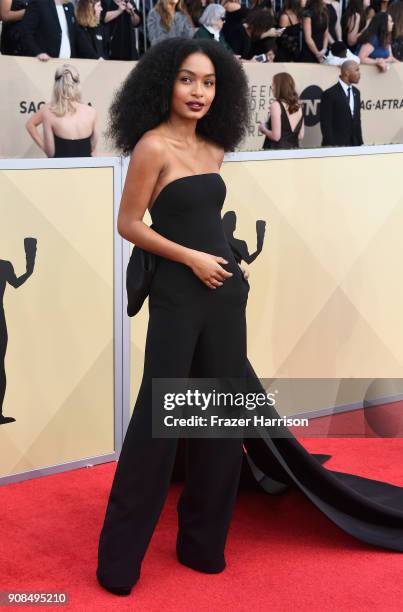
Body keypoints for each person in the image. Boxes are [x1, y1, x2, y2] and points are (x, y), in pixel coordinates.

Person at [96, 37, 403, 599]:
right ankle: (119, 561)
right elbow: (128, 223)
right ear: (164, 82)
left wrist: (229, 264)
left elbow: (207, 220)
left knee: (219, 426)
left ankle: (201, 544)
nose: (198, 92)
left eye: (209, 82)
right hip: (176, 298)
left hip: (224, 298)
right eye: (188, 79)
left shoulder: (213, 148)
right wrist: (190, 258)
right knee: (157, 425)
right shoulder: (152, 147)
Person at [0, 239, 37, 426]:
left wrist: (30, 267)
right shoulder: (4, 265)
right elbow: (16, 282)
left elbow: (15, 283)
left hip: (0, 321)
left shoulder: (4, 265)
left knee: (0, 366)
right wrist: (30, 266)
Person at [25, 64, 98, 157]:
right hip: (88, 169)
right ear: (77, 85)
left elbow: (50, 152)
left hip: (60, 170)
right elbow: (93, 150)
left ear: (56, 86)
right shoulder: (91, 112)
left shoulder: (48, 112)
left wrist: (43, 147)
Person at [20, 0, 99, 59]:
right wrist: (37, 53)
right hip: (43, 64)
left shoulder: (70, 7)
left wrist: (96, 58)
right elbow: (25, 32)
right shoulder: (39, 3)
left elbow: (79, 37)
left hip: (66, 67)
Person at [320, 59, 363, 146]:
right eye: (356, 70)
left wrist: (360, 143)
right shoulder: (329, 94)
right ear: (347, 73)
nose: (359, 73)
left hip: (354, 145)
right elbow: (326, 123)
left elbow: (357, 120)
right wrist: (331, 146)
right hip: (336, 146)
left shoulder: (356, 92)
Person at [258, 72, 305, 149]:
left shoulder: (276, 105)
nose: (272, 88)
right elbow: (300, 136)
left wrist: (263, 129)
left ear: (279, 87)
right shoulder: (298, 105)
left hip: (276, 153)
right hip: (294, 152)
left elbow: (276, 137)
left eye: (273, 85)